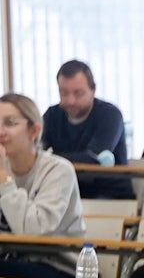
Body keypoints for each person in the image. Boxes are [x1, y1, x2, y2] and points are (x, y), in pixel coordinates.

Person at [0, 93, 85, 278]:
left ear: (35, 131)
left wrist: (3, 179)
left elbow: (32, 231)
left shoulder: (59, 171)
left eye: (10, 123)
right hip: (8, 260)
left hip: (60, 267)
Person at [40, 60, 134, 200]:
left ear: (93, 90)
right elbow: (35, 153)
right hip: (66, 192)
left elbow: (92, 158)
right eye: (64, 93)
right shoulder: (53, 115)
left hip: (109, 195)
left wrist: (50, 158)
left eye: (78, 94)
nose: (70, 100)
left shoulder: (110, 115)